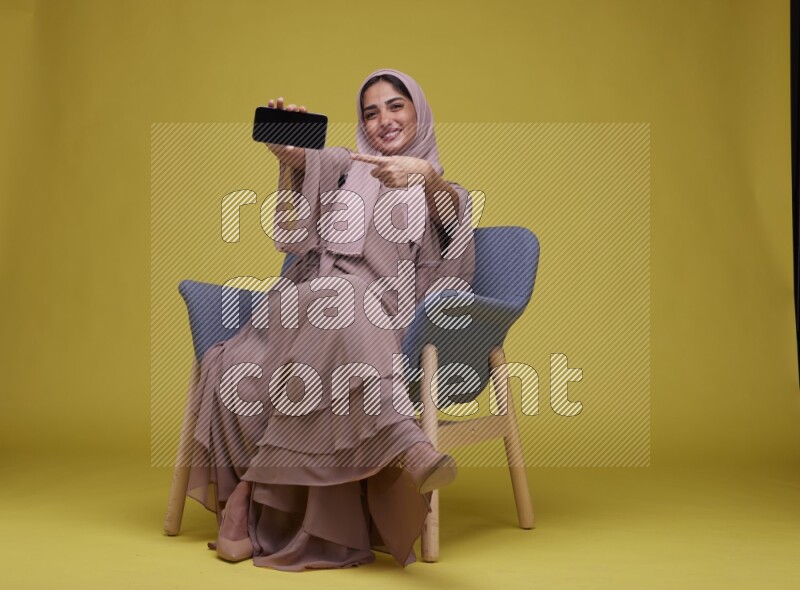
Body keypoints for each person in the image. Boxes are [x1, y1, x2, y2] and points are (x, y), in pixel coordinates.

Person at [185, 68, 477, 570]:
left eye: (396, 106)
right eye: (371, 112)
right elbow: (303, 183)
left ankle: (246, 496)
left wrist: (425, 176)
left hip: (380, 319)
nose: (384, 120)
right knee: (329, 300)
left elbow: (453, 224)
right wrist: (289, 157)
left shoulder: (444, 192)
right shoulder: (346, 165)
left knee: (342, 304)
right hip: (300, 304)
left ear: (419, 112)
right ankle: (406, 444)